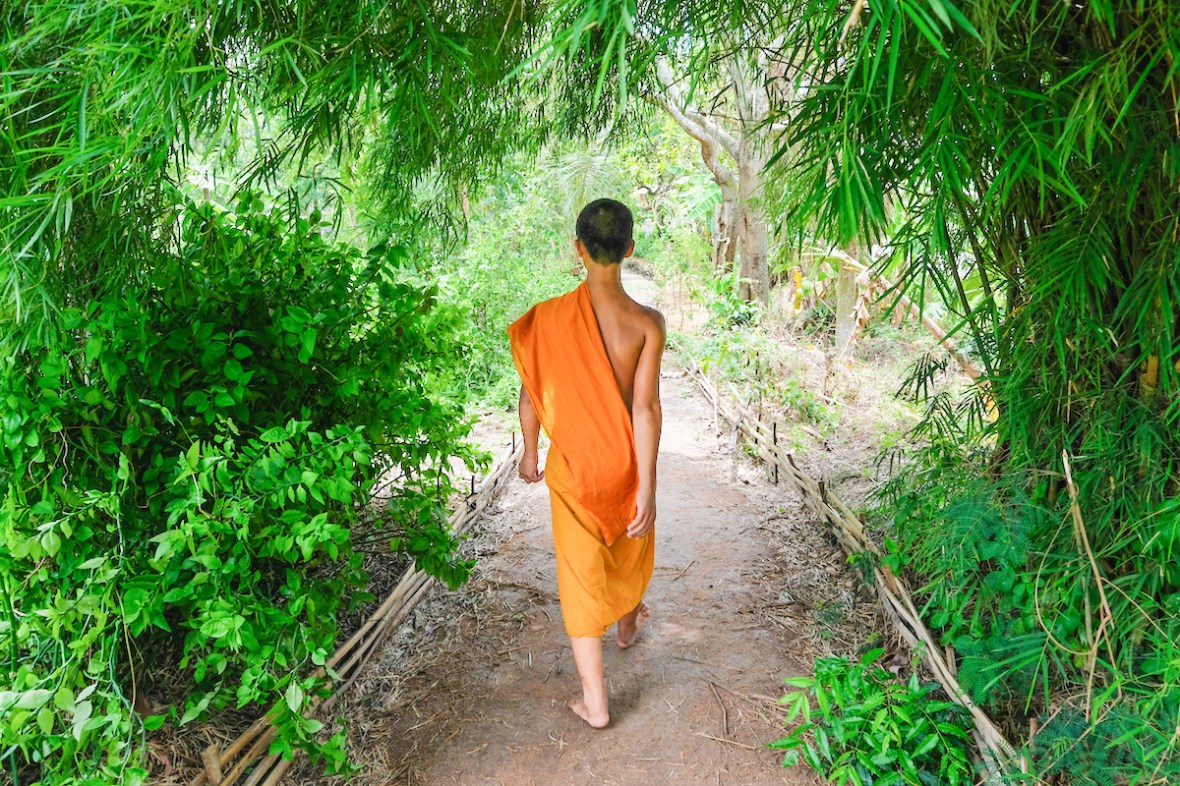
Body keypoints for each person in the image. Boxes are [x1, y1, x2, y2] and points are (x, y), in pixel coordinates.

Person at [507, 198, 666, 729]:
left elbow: (532, 393)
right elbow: (644, 407)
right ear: (629, 249)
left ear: (578, 250)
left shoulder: (548, 319)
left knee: (580, 576)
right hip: (625, 463)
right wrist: (647, 482)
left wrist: (530, 450)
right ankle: (625, 627)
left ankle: (595, 703)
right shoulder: (647, 323)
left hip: (574, 469)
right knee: (627, 548)